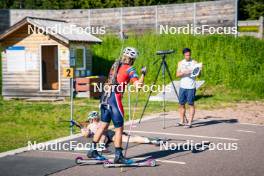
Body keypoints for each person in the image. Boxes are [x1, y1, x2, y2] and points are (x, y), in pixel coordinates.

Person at [87, 47, 145, 164]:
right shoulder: (130, 68)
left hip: (104, 99)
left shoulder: (115, 65)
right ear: (132, 59)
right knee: (119, 129)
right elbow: (138, 86)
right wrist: (143, 73)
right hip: (115, 100)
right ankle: (118, 155)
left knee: (103, 126)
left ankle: (92, 150)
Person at [81, 111, 166, 148]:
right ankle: (152, 140)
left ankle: (152, 140)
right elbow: (86, 134)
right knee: (130, 139)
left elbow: (86, 134)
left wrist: (85, 130)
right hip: (108, 134)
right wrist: (85, 130)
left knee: (130, 139)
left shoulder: (94, 124)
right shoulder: (93, 124)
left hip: (108, 134)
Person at [176, 48, 201, 128]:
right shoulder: (180, 63)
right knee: (181, 104)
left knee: (191, 104)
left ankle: (189, 122)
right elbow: (177, 75)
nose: (188, 56)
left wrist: (199, 71)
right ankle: (181, 121)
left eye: (189, 55)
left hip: (191, 86)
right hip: (182, 86)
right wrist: (183, 72)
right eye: (186, 55)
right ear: (184, 55)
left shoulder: (195, 62)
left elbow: (198, 75)